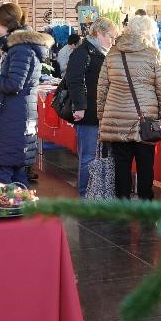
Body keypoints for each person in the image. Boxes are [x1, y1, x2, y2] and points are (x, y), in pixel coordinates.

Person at [97, 15, 161, 200]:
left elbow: (102, 87)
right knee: (146, 164)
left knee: (121, 164)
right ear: (146, 33)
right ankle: (146, 201)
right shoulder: (154, 54)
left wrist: (102, 115)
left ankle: (122, 201)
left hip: (116, 117)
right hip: (144, 118)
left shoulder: (113, 53)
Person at [0, 3, 53, 186]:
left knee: (4, 175)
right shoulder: (23, 47)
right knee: (17, 173)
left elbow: (14, 84)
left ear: (9, 24)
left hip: (13, 117)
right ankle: (21, 212)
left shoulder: (20, 49)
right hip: (17, 115)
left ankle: (6, 212)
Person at [65, 18, 118, 198]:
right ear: (99, 33)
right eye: (111, 36)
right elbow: (74, 81)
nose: (113, 41)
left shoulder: (102, 52)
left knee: (101, 157)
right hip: (88, 114)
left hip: (102, 113)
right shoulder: (83, 52)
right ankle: (85, 196)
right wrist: (79, 107)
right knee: (88, 157)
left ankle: (98, 194)